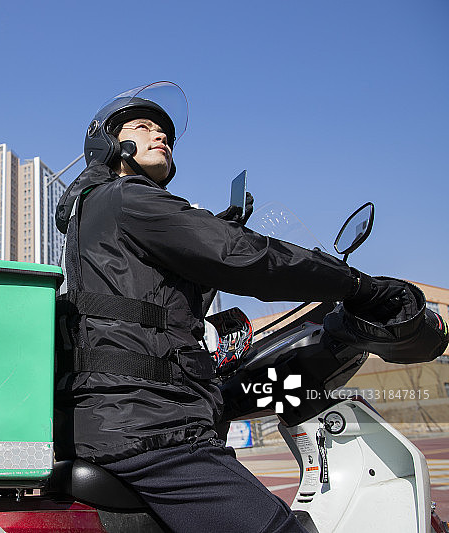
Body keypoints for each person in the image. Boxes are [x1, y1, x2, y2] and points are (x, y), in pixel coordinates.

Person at [53, 82, 406, 532]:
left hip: (125, 418)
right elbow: (242, 257)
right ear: (110, 143)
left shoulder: (100, 211)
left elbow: (153, 304)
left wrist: (210, 231)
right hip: (151, 429)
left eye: (166, 132)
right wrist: (357, 286)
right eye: (144, 127)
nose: (161, 135)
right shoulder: (130, 197)